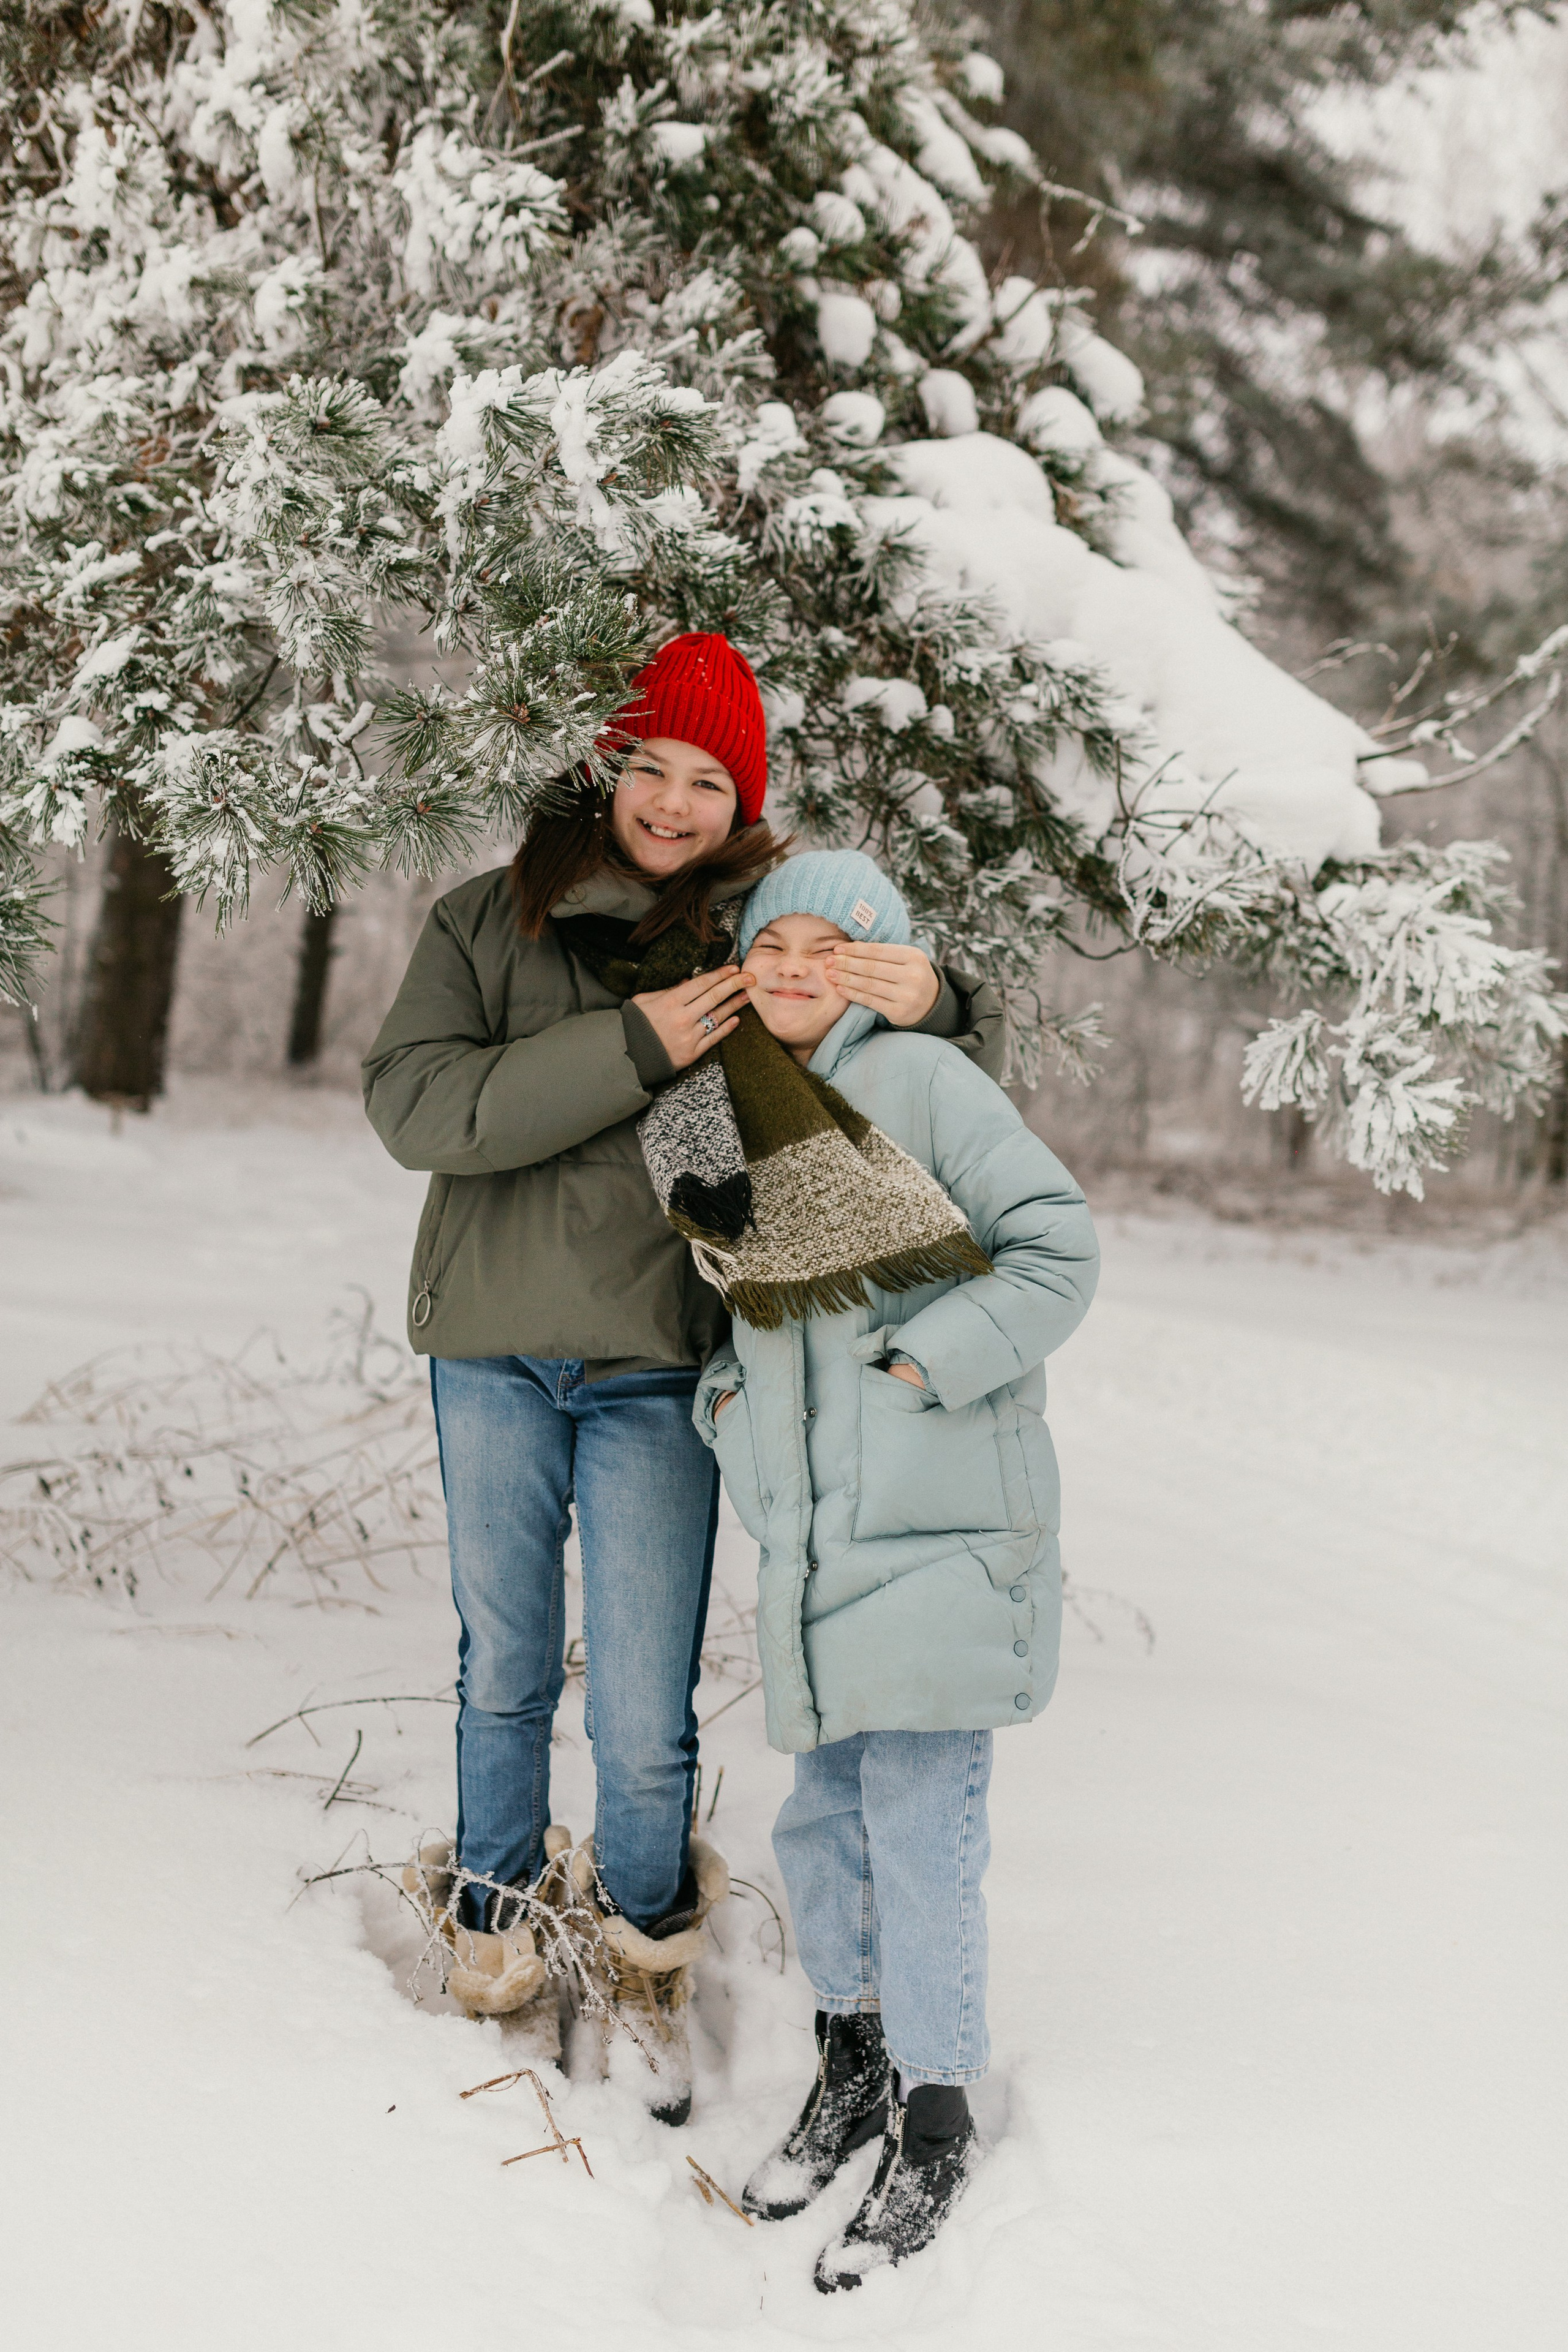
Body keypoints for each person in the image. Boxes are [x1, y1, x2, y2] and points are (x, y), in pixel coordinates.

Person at [361, 635, 1005, 2113]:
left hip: (658, 1359)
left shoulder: (751, 929)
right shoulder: (489, 916)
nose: (669, 800)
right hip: (492, 1350)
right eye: (648, 764)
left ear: (743, 801)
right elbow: (417, 1109)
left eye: (707, 778)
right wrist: (630, 1045)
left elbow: (864, 1058)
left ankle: (646, 1939)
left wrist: (942, 1001)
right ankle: (496, 1920)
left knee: (645, 1693)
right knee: (502, 1661)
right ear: (605, 766)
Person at [692, 849, 1098, 2283]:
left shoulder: (926, 1085)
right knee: (824, 1822)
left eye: (828, 944)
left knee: (923, 1830)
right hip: (811, 1535)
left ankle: (935, 2108)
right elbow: (732, 1331)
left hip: (937, 1525)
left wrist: (929, 1358)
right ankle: (849, 2059)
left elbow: (1057, 1248)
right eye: (770, 941)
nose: (793, 965)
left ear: (876, 963)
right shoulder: (713, 1111)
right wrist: (727, 1416)